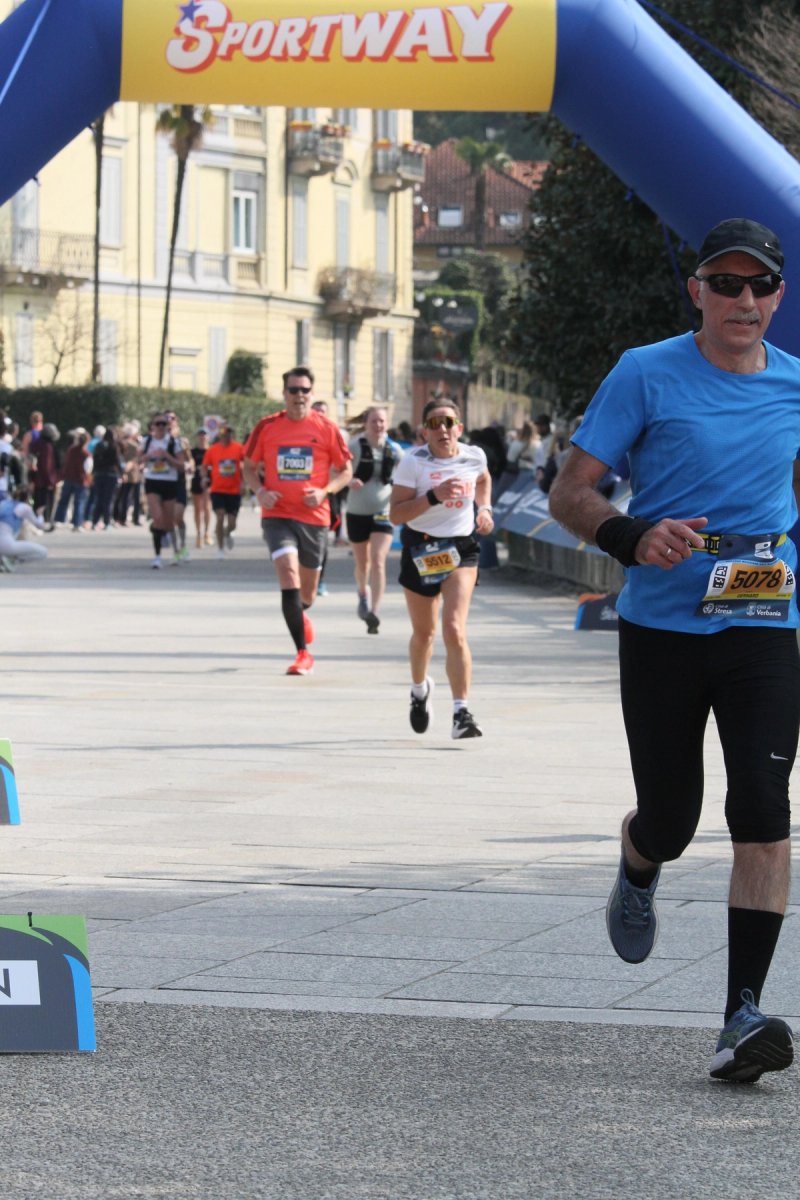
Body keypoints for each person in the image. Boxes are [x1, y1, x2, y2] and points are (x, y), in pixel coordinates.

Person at [549, 217, 799, 1084]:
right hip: (662, 625)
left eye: (758, 285)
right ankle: (638, 855)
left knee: (765, 807)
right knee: (674, 816)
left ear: (778, 295)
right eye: (723, 283)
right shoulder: (646, 371)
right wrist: (631, 534)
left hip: (764, 621)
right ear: (695, 290)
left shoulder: (797, 389)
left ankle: (742, 1015)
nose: (742, 299)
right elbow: (569, 491)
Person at [389, 397, 494, 739]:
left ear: (459, 429)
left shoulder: (474, 455)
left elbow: (483, 479)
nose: (443, 430)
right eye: (435, 424)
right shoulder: (412, 463)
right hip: (421, 546)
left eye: (449, 422)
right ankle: (419, 690)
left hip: (460, 548)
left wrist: (485, 509)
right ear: (423, 432)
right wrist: (433, 496)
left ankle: (461, 712)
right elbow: (395, 515)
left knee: (454, 628)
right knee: (424, 635)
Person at [242, 366, 352, 675]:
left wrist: (324, 492)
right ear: (284, 394)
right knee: (287, 574)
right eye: (293, 390)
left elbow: (346, 471)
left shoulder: (326, 428)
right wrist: (260, 491)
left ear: (312, 394)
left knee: (307, 593)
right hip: (278, 516)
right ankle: (302, 653)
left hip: (314, 517)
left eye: (305, 390)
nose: (299, 396)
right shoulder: (267, 427)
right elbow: (249, 467)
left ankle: (301, 613)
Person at [347, 405, 403, 633]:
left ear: (387, 423)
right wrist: (350, 480)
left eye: (382, 421)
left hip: (383, 511)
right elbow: (338, 470)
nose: (378, 425)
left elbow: (409, 476)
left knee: (378, 560)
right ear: (366, 423)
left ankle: (374, 612)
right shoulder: (354, 446)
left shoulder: (396, 451)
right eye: (374, 421)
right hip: (357, 511)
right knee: (363, 564)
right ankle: (363, 592)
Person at [138, 413, 185, 569]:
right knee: (157, 518)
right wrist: (150, 456)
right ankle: (157, 556)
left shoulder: (173, 442)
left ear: (167, 427)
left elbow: (181, 464)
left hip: (169, 481)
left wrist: (166, 456)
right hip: (152, 480)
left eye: (163, 424)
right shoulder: (146, 441)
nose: (160, 427)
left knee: (168, 521)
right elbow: (138, 459)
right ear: (152, 426)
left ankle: (176, 551)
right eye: (157, 424)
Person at [203, 424, 244, 559]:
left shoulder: (239, 448)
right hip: (218, 489)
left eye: (229, 433)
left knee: (232, 523)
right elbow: (205, 466)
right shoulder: (213, 450)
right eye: (223, 433)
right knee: (220, 516)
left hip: (234, 490)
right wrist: (204, 478)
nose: (226, 436)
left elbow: (246, 466)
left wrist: (244, 483)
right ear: (220, 435)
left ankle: (227, 532)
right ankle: (220, 549)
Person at [0, 487, 48, 571]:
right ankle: (12, 560)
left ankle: (5, 558)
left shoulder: (3, 503)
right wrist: (40, 514)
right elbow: (40, 525)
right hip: (6, 544)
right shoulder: (24, 507)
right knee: (43, 552)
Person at [53, 430, 92, 531]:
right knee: (79, 502)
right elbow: (87, 469)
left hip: (69, 478)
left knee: (63, 500)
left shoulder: (71, 450)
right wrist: (89, 480)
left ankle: (58, 520)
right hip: (80, 479)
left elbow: (66, 463)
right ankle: (77, 523)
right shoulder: (86, 454)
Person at [89, 427, 122, 530]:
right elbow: (117, 461)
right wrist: (121, 473)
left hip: (99, 474)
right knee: (108, 500)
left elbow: (94, 459)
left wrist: (94, 472)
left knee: (99, 499)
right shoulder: (114, 446)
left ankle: (94, 522)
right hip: (111, 474)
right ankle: (106, 522)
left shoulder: (99, 445)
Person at [189, 428, 213, 548]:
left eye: (204, 435)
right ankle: (198, 534)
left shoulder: (211, 451)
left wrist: (207, 469)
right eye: (200, 435)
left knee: (207, 507)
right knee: (197, 509)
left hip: (209, 481)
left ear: (208, 437)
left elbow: (215, 465)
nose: (202, 437)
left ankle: (207, 532)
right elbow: (190, 464)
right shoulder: (192, 451)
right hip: (196, 481)